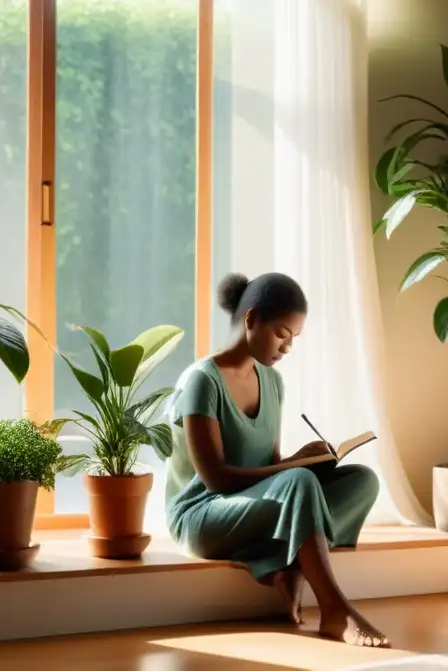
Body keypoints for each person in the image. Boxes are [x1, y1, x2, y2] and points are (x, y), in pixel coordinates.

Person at [165, 272, 389, 648]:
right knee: (299, 482)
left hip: (244, 508)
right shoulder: (202, 381)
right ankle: (334, 610)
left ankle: (291, 564)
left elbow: (268, 465)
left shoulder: (272, 382)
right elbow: (217, 479)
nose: (287, 348)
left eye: (293, 339)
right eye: (282, 333)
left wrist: (305, 463)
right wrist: (295, 469)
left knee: (361, 481)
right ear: (251, 319)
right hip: (200, 515)